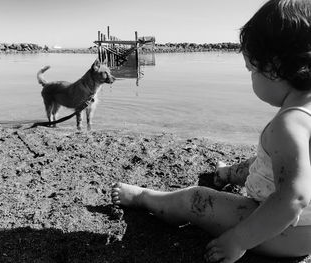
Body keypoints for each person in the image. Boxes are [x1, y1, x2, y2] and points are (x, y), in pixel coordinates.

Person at [111, 0, 311, 262]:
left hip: (283, 233)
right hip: (303, 232)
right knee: (259, 163)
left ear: (273, 68)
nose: (251, 77)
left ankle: (146, 199)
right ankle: (226, 173)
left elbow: (293, 198)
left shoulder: (289, 124)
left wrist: (239, 240)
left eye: (251, 70)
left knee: (196, 198)